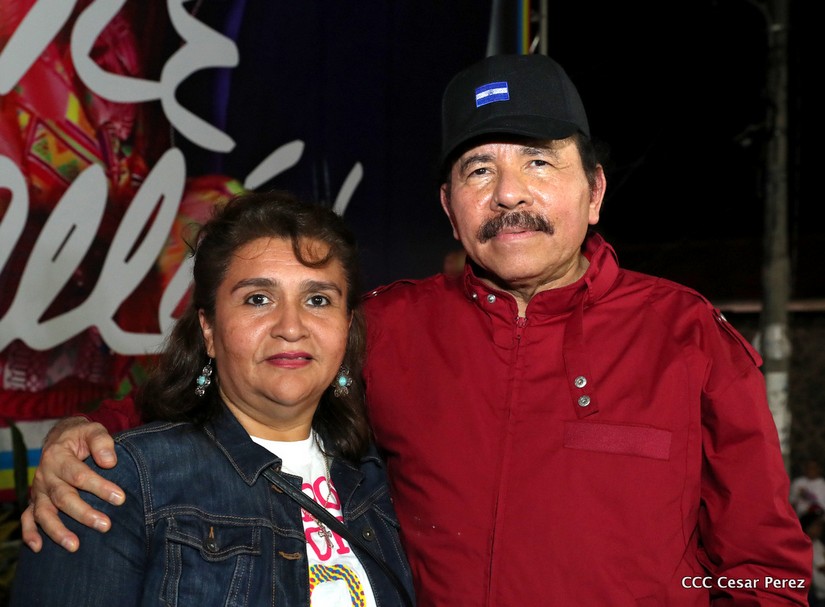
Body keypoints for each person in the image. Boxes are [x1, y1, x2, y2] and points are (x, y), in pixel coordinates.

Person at [21, 54, 812, 605]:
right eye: (478, 170)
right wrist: (87, 434)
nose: (509, 194)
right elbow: (239, 385)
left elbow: (768, 568)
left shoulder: (687, 336)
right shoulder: (389, 326)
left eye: (538, 163)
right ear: (449, 209)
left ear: (595, 190)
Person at [11, 191, 415, 606]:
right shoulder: (117, 483)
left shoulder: (377, 477)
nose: (292, 327)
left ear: (346, 326)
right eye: (258, 299)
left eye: (318, 300)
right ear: (208, 329)